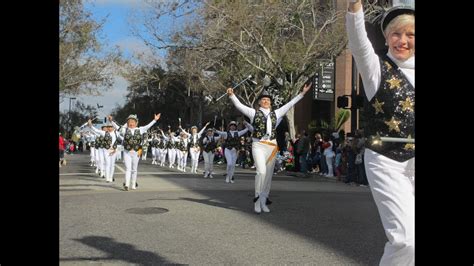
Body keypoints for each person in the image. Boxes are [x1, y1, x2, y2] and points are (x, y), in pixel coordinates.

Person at [346, 1, 414, 265]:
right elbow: (359, 44)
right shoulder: (375, 69)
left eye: (411, 35)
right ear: (386, 37)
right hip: (387, 161)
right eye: (396, 34)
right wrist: (354, 8)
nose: (403, 41)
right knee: (406, 240)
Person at [227, 82, 312, 213]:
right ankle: (256, 199)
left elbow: (290, 104)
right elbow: (239, 105)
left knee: (268, 176)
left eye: (268, 100)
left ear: (270, 103)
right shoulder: (253, 113)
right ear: (259, 103)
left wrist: (302, 94)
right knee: (261, 172)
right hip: (258, 145)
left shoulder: (276, 113)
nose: (266, 101)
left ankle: (263, 200)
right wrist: (232, 95)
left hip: (271, 146)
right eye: (263, 99)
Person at [112, 113, 161, 191]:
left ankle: (133, 184)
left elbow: (148, 126)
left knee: (134, 169)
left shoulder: (140, 129)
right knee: (128, 168)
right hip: (127, 152)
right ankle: (127, 184)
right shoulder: (124, 130)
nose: (131, 123)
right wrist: (111, 121)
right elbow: (117, 127)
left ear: (136, 123)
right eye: (129, 122)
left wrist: (155, 120)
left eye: (133, 122)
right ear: (127, 123)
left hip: (136, 152)